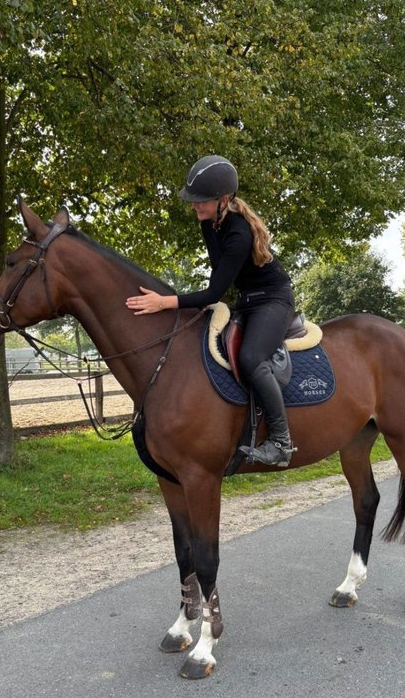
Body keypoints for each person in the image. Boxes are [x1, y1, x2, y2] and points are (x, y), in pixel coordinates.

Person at [126, 155, 297, 467]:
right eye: (193, 201)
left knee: (250, 358)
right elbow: (219, 276)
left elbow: (214, 292)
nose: (194, 206)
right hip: (247, 301)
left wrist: (164, 302)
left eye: (200, 201)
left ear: (224, 200)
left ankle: (282, 443)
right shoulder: (211, 223)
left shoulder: (238, 233)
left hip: (274, 300)